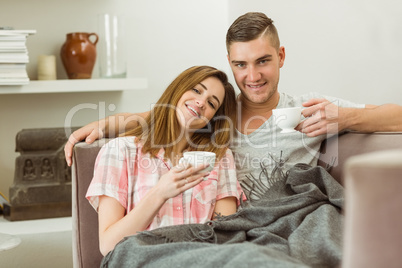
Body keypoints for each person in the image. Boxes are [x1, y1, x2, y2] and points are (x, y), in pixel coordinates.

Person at [66, 12, 402, 198]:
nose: (252, 76)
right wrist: (98, 126)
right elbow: (152, 117)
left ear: (281, 56)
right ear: (230, 62)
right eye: (240, 65)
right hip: (230, 230)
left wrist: (345, 117)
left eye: (263, 61)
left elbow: (396, 116)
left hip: (290, 221)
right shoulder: (215, 113)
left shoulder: (310, 109)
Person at [85, 65, 245, 256]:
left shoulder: (219, 158)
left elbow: (226, 237)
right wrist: (160, 193)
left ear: (213, 118)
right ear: (178, 89)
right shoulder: (120, 151)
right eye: (196, 90)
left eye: (211, 103)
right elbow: (109, 245)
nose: (201, 102)